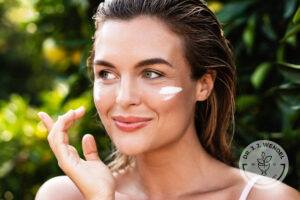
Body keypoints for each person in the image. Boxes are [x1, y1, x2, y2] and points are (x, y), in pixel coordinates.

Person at [35, 0, 300, 199]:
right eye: (107, 73)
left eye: (151, 73)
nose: (124, 98)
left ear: (203, 85)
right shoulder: (64, 195)